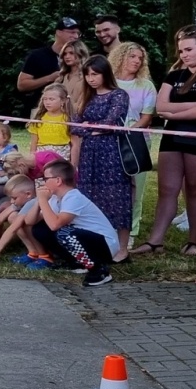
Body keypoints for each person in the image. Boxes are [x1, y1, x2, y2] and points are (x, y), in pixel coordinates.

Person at [133, 26, 196, 260]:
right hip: (172, 137)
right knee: (167, 189)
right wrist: (194, 106)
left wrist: (177, 113)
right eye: (181, 51)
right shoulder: (174, 76)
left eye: (189, 49)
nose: (184, 54)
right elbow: (161, 107)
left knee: (195, 189)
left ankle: (193, 240)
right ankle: (155, 241)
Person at [69, 55, 132, 261]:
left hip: (112, 154)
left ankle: (122, 248)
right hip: (89, 154)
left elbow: (110, 122)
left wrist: (90, 127)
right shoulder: (87, 98)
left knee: (117, 197)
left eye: (95, 74)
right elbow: (75, 125)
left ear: (105, 73)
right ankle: (94, 244)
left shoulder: (119, 95)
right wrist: (91, 130)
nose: (90, 79)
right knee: (89, 195)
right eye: (87, 75)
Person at [34, 159, 118, 286]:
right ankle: (75, 263)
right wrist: (39, 202)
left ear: (58, 180)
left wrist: (43, 201)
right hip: (86, 241)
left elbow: (55, 225)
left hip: (104, 244)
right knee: (39, 229)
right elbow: (30, 221)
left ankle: (99, 270)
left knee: (64, 233)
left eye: (45, 179)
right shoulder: (56, 198)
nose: (43, 182)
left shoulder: (73, 197)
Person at [110, 41, 157, 239]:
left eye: (140, 58)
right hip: (110, 140)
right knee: (111, 185)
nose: (137, 61)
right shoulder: (108, 82)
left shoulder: (146, 85)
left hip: (136, 141)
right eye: (132, 56)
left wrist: (129, 131)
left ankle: (131, 229)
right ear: (121, 57)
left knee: (135, 186)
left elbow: (146, 117)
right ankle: (110, 226)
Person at [0, 177, 48, 267]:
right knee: (12, 217)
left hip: (48, 234)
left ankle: (44, 256)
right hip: (42, 232)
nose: (12, 202)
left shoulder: (32, 202)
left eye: (14, 198)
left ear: (28, 194)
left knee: (22, 222)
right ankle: (33, 253)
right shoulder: (23, 201)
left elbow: (12, 229)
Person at [16, 17, 81, 110]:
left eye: (78, 33)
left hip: (71, 111)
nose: (76, 36)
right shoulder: (38, 55)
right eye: (72, 32)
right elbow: (21, 85)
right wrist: (49, 78)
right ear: (59, 32)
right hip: (41, 111)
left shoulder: (81, 57)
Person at [26, 84, 72, 172]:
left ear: (63, 100)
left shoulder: (68, 119)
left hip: (61, 154)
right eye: (45, 99)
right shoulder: (38, 119)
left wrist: (73, 164)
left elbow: (75, 145)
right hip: (41, 154)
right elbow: (33, 143)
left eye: (51, 99)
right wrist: (32, 159)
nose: (47, 102)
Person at [58, 39, 91, 116]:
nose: (67, 56)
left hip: (78, 117)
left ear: (81, 54)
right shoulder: (61, 77)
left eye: (71, 53)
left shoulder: (88, 76)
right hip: (59, 116)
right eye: (65, 54)